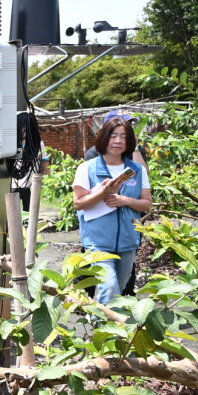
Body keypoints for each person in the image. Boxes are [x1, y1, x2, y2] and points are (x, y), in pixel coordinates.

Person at [73, 117, 153, 305]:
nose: (118, 141)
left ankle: (105, 325)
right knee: (108, 287)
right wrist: (104, 192)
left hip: (128, 240)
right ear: (104, 138)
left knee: (120, 288)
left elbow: (146, 204)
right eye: (113, 136)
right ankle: (106, 332)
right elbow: (79, 203)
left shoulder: (136, 170)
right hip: (98, 242)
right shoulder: (87, 168)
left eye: (123, 137)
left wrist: (124, 200)